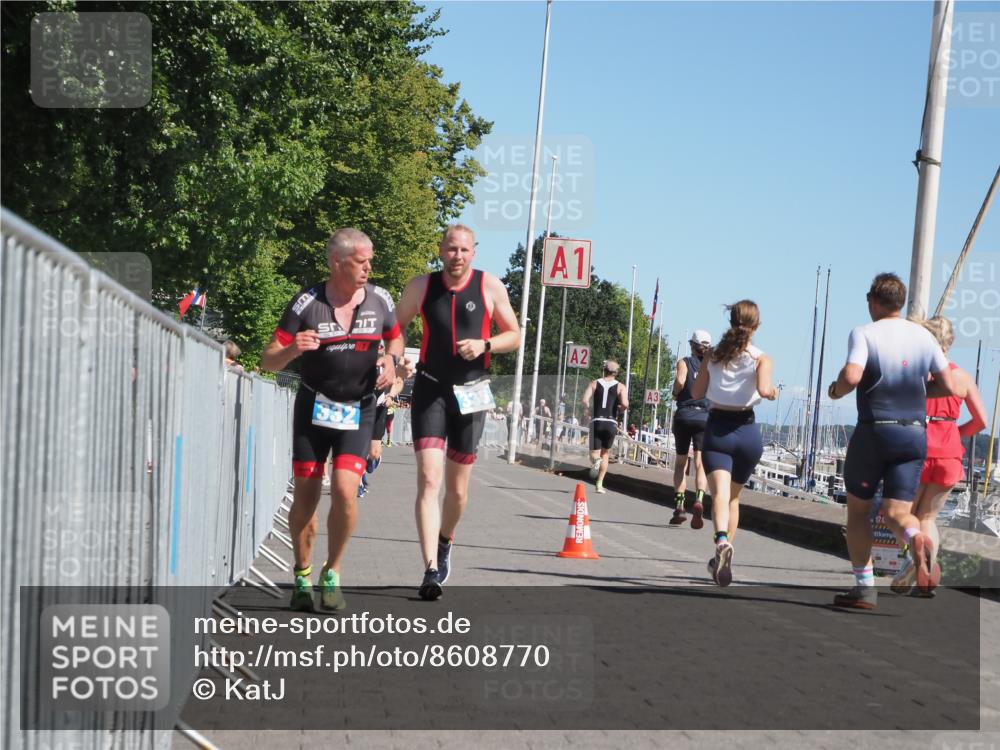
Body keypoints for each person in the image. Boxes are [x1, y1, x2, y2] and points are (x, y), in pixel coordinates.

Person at [260, 228, 406, 612]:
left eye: (370, 259)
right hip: (313, 408)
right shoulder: (306, 302)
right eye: (362, 261)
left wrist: (391, 361)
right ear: (338, 262)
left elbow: (396, 339)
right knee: (306, 497)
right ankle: (303, 573)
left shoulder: (379, 299)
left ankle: (333, 571)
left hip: (358, 408)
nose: (369, 267)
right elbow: (267, 358)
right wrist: (292, 349)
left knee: (344, 490)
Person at [395, 224, 520, 600]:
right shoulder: (420, 286)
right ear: (440, 250)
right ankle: (431, 568)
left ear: (474, 253)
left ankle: (446, 539)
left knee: (458, 491)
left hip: (471, 392)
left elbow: (513, 334)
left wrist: (485, 344)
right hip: (431, 388)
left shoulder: (489, 286)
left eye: (464, 250)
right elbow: (395, 328)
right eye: (451, 249)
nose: (457, 257)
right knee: (430, 480)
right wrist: (395, 356)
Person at [827, 273, 956, 609]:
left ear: (873, 301)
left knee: (859, 511)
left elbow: (852, 376)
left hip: (875, 430)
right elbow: (949, 385)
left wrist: (835, 389)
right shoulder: (924, 338)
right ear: (899, 302)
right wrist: (916, 392)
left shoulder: (865, 333)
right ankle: (916, 539)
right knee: (897, 511)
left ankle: (864, 588)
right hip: (914, 434)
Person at [890, 316, 986, 596]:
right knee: (929, 517)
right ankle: (925, 572)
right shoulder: (962, 377)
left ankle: (912, 559)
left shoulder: (918, 375)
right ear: (950, 342)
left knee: (902, 515)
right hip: (949, 454)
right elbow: (981, 421)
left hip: (916, 448)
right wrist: (956, 433)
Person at [691, 301, 777, 586]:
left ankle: (721, 542)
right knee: (734, 498)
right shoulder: (761, 358)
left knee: (718, 496)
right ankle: (722, 555)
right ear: (757, 326)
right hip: (747, 432)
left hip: (718, 430)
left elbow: (697, 392)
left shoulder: (712, 355)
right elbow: (764, 390)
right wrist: (774, 392)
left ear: (731, 321)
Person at [669, 330, 712, 527]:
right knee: (700, 463)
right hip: (704, 417)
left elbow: (680, 381)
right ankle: (699, 500)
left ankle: (679, 505)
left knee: (680, 463)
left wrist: (675, 393)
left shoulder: (684, 362)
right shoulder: (713, 366)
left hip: (685, 415)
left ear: (692, 345)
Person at [581, 359, 629, 495]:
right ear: (616, 373)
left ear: (604, 370)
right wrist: (619, 409)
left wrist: (587, 409)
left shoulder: (594, 383)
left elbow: (585, 400)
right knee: (605, 453)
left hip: (597, 421)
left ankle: (596, 461)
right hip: (611, 423)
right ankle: (600, 484)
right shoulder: (620, 386)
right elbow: (625, 403)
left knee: (594, 453)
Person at [358, 363, 405, 499]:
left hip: (380, 408)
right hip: (361, 406)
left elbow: (399, 381)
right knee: (359, 446)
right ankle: (358, 482)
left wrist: (390, 396)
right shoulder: (364, 353)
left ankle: (371, 461)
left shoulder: (394, 358)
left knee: (374, 452)